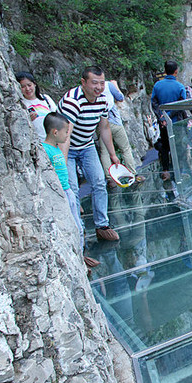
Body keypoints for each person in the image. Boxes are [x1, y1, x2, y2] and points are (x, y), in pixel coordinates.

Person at [58, 65, 120, 242]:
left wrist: (113, 155)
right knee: (72, 189)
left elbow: (104, 127)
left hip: (87, 145)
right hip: (66, 146)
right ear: (83, 82)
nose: (99, 87)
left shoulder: (102, 100)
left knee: (99, 182)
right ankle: (78, 230)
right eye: (94, 83)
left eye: (101, 83)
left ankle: (102, 225)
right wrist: (62, 161)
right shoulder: (72, 101)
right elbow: (66, 134)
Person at [42, 112, 99, 268]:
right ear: (55, 132)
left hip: (67, 190)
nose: (68, 135)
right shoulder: (46, 150)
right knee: (75, 227)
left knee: (78, 226)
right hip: (60, 193)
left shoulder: (55, 148)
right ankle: (79, 260)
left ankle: (81, 255)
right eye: (66, 131)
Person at [98, 79, 142, 185]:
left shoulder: (90, 90)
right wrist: (115, 85)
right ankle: (132, 173)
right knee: (125, 148)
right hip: (114, 122)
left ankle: (110, 178)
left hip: (100, 123)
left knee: (104, 152)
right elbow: (120, 98)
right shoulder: (108, 85)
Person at [151, 60, 188, 180]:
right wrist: (170, 115)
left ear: (165, 71)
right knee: (179, 148)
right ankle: (179, 172)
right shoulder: (179, 87)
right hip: (177, 122)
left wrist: (161, 117)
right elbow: (181, 105)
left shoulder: (157, 85)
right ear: (176, 71)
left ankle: (166, 171)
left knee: (165, 146)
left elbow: (154, 103)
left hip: (163, 123)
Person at [16, 71, 57, 141]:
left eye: (29, 85)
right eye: (23, 86)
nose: (27, 89)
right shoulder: (20, 104)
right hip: (36, 142)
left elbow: (57, 117)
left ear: (34, 84)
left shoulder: (46, 99)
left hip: (52, 141)